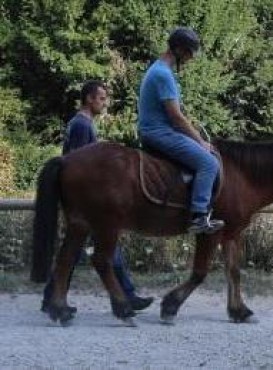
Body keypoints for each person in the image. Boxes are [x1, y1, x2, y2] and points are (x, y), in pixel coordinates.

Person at [41, 80, 154, 313]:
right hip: (87, 198)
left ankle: (52, 298)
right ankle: (126, 296)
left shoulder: (80, 123)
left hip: (83, 197)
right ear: (89, 99)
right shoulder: (82, 126)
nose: (105, 102)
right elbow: (82, 165)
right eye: (101, 98)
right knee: (95, 247)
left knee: (75, 248)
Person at [137, 27, 224, 234]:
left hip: (157, 130)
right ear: (178, 50)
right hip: (158, 132)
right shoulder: (162, 75)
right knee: (209, 163)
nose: (190, 58)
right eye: (189, 53)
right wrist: (200, 142)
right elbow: (176, 118)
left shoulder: (159, 70)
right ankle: (198, 216)